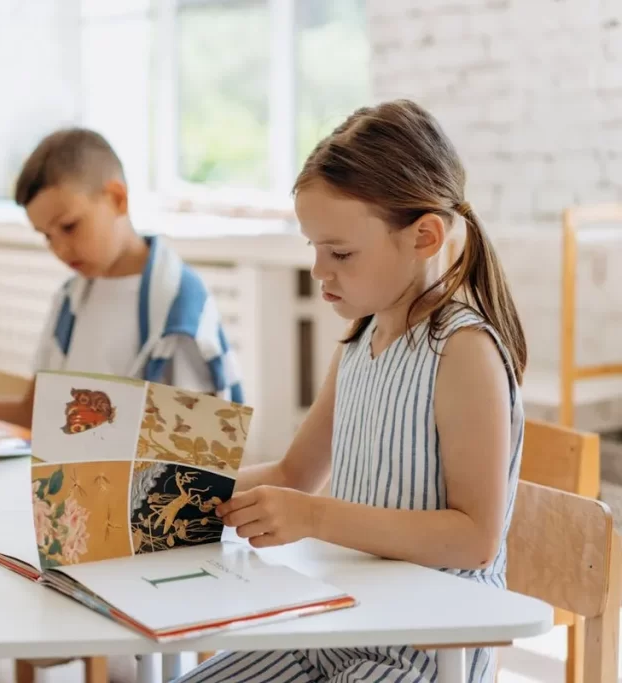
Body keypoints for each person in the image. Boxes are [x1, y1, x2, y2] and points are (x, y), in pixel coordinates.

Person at [178, 99, 527, 683]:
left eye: (339, 253)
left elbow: (474, 540)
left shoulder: (463, 352)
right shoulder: (360, 339)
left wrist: (315, 517)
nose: (320, 271)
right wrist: (172, 493)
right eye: (314, 248)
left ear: (424, 236)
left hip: (423, 652)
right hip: (334, 627)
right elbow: (293, 474)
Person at [0, 127, 244, 419]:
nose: (60, 249)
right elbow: (37, 415)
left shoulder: (180, 312)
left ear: (117, 198)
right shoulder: (71, 299)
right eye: (46, 237)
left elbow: (199, 450)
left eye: (70, 226)